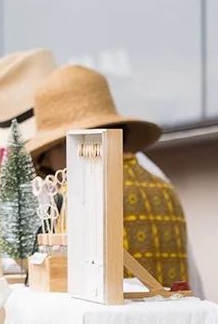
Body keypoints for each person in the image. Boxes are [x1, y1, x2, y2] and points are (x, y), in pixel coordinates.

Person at [26, 64, 192, 290]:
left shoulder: (75, 196)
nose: (49, 170)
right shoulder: (164, 188)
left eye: (45, 157)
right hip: (173, 321)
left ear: (67, 146)